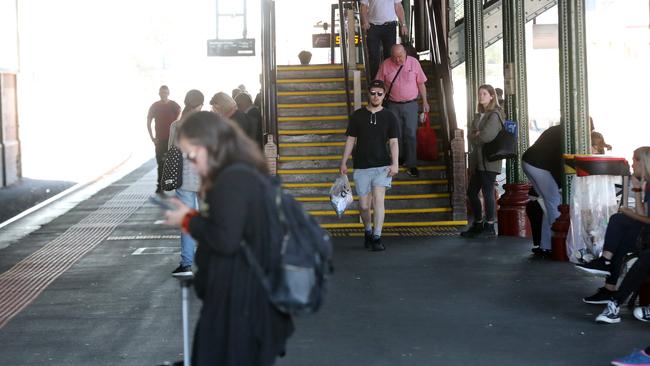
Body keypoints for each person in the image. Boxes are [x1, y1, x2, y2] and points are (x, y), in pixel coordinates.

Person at [163, 111, 294, 365]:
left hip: (238, 303)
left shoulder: (231, 181)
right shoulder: (245, 172)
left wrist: (188, 219)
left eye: (191, 154)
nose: (190, 163)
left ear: (210, 145)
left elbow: (226, 239)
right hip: (250, 298)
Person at [577, 147, 650, 305]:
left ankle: (606, 269)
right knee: (622, 234)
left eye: (634, 160)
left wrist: (629, 214)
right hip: (644, 233)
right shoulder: (647, 183)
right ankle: (607, 274)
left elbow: (647, 219)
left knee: (620, 221)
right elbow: (643, 214)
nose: (632, 165)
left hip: (647, 237)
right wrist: (637, 190)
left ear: (643, 162)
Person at [339, 80, 399, 252]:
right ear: (369, 94)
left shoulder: (389, 116)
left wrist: (394, 163)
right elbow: (351, 139)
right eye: (373, 93)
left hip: (382, 166)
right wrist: (343, 161)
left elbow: (394, 142)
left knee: (379, 201)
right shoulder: (357, 115)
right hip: (361, 166)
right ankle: (368, 230)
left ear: (384, 95)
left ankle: (377, 236)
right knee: (364, 205)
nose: (376, 96)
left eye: (379, 93)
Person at [375, 44, 429, 178]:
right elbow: (378, 85)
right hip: (393, 104)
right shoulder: (386, 65)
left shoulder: (414, 63)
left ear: (405, 53)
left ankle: (411, 164)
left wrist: (425, 101)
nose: (398, 60)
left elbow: (421, 83)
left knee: (410, 133)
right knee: (395, 134)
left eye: (400, 57)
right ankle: (397, 160)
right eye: (395, 57)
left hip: (411, 104)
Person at [460, 84, 505, 238]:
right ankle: (479, 222)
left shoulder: (495, 115)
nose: (481, 96)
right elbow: (470, 136)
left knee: (487, 192)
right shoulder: (480, 115)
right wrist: (476, 135)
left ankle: (490, 225)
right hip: (479, 161)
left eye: (484, 94)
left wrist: (476, 135)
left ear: (492, 96)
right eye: (479, 94)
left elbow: (486, 136)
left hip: (489, 161)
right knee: (471, 192)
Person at [167, 89, 204, 277]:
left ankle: (186, 265)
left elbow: (171, 151)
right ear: (201, 105)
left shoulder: (176, 125)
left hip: (184, 177)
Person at [520, 124, 563, 255]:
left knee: (548, 202)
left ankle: (546, 245)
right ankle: (558, 243)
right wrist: (561, 184)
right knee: (554, 201)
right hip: (539, 165)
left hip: (529, 161)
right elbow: (559, 162)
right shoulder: (566, 135)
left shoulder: (556, 129)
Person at [360, 0, 408, 79]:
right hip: (373, 26)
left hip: (390, 26)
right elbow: (363, 6)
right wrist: (365, 22)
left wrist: (403, 24)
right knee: (373, 55)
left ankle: (389, 80)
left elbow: (398, 6)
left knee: (390, 54)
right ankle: (375, 81)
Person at [147, 85, 181, 193]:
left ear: (168, 93)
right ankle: (160, 185)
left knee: (173, 163)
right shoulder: (154, 106)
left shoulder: (174, 105)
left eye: (165, 92)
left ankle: (173, 184)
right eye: (162, 93)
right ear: (159, 93)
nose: (164, 95)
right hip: (160, 140)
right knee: (160, 163)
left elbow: (180, 118)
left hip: (172, 140)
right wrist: (152, 138)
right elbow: (148, 122)